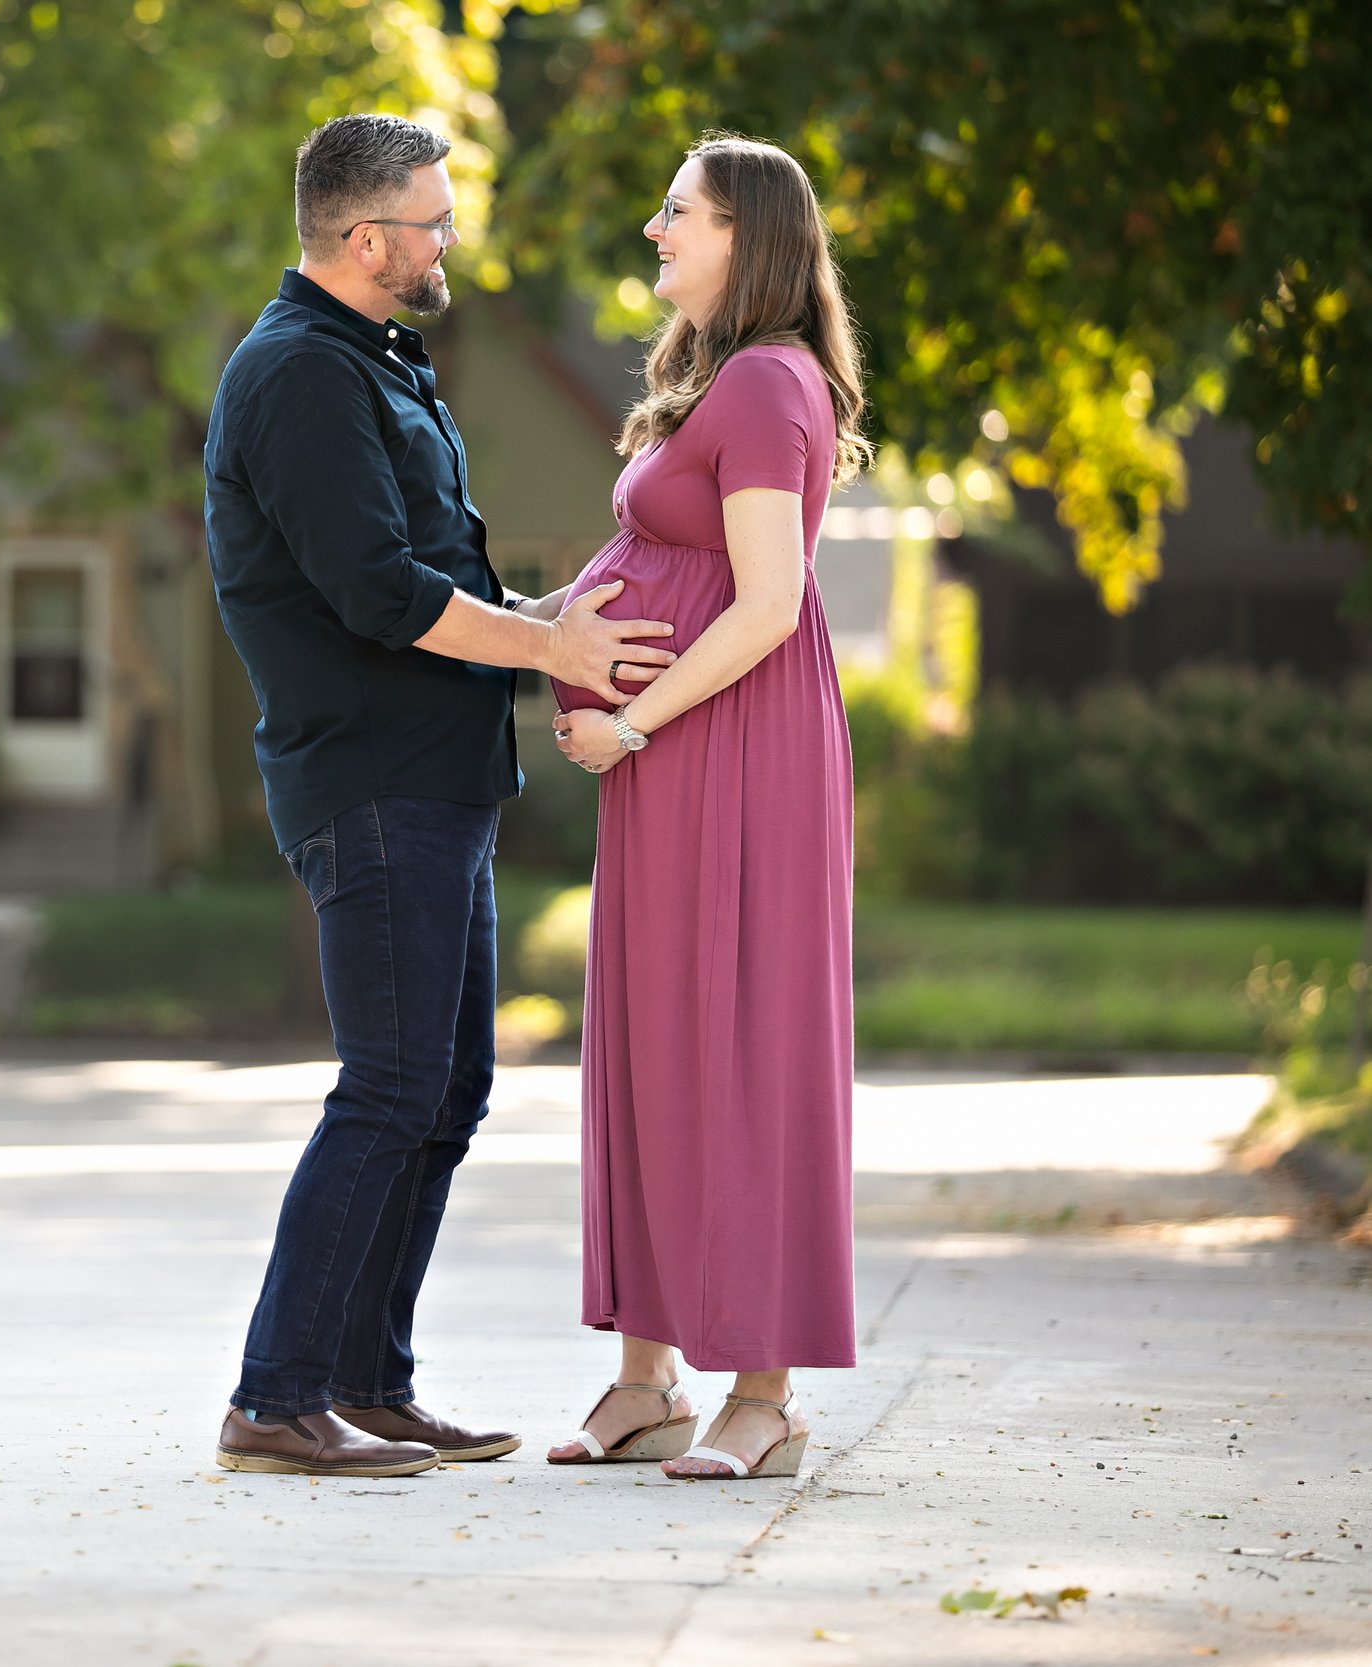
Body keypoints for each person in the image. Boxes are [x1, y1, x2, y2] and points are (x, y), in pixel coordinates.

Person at [203, 113, 678, 1478]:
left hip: (436, 779)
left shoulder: (379, 361)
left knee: (448, 1087)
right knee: (392, 1084)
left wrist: (545, 613)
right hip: (370, 782)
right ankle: (273, 1399)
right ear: (367, 240)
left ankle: (364, 1378)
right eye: (434, 217)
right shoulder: (298, 375)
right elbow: (378, 595)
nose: (449, 236)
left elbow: (434, 576)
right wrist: (548, 647)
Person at [536, 133, 872, 1480]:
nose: (654, 227)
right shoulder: (708, 382)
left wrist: (632, 718)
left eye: (681, 210)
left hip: (738, 753)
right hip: (671, 766)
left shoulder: (773, 387)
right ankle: (645, 1379)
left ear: (750, 235)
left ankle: (767, 1395)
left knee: (748, 1044)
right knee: (656, 1041)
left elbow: (771, 606)